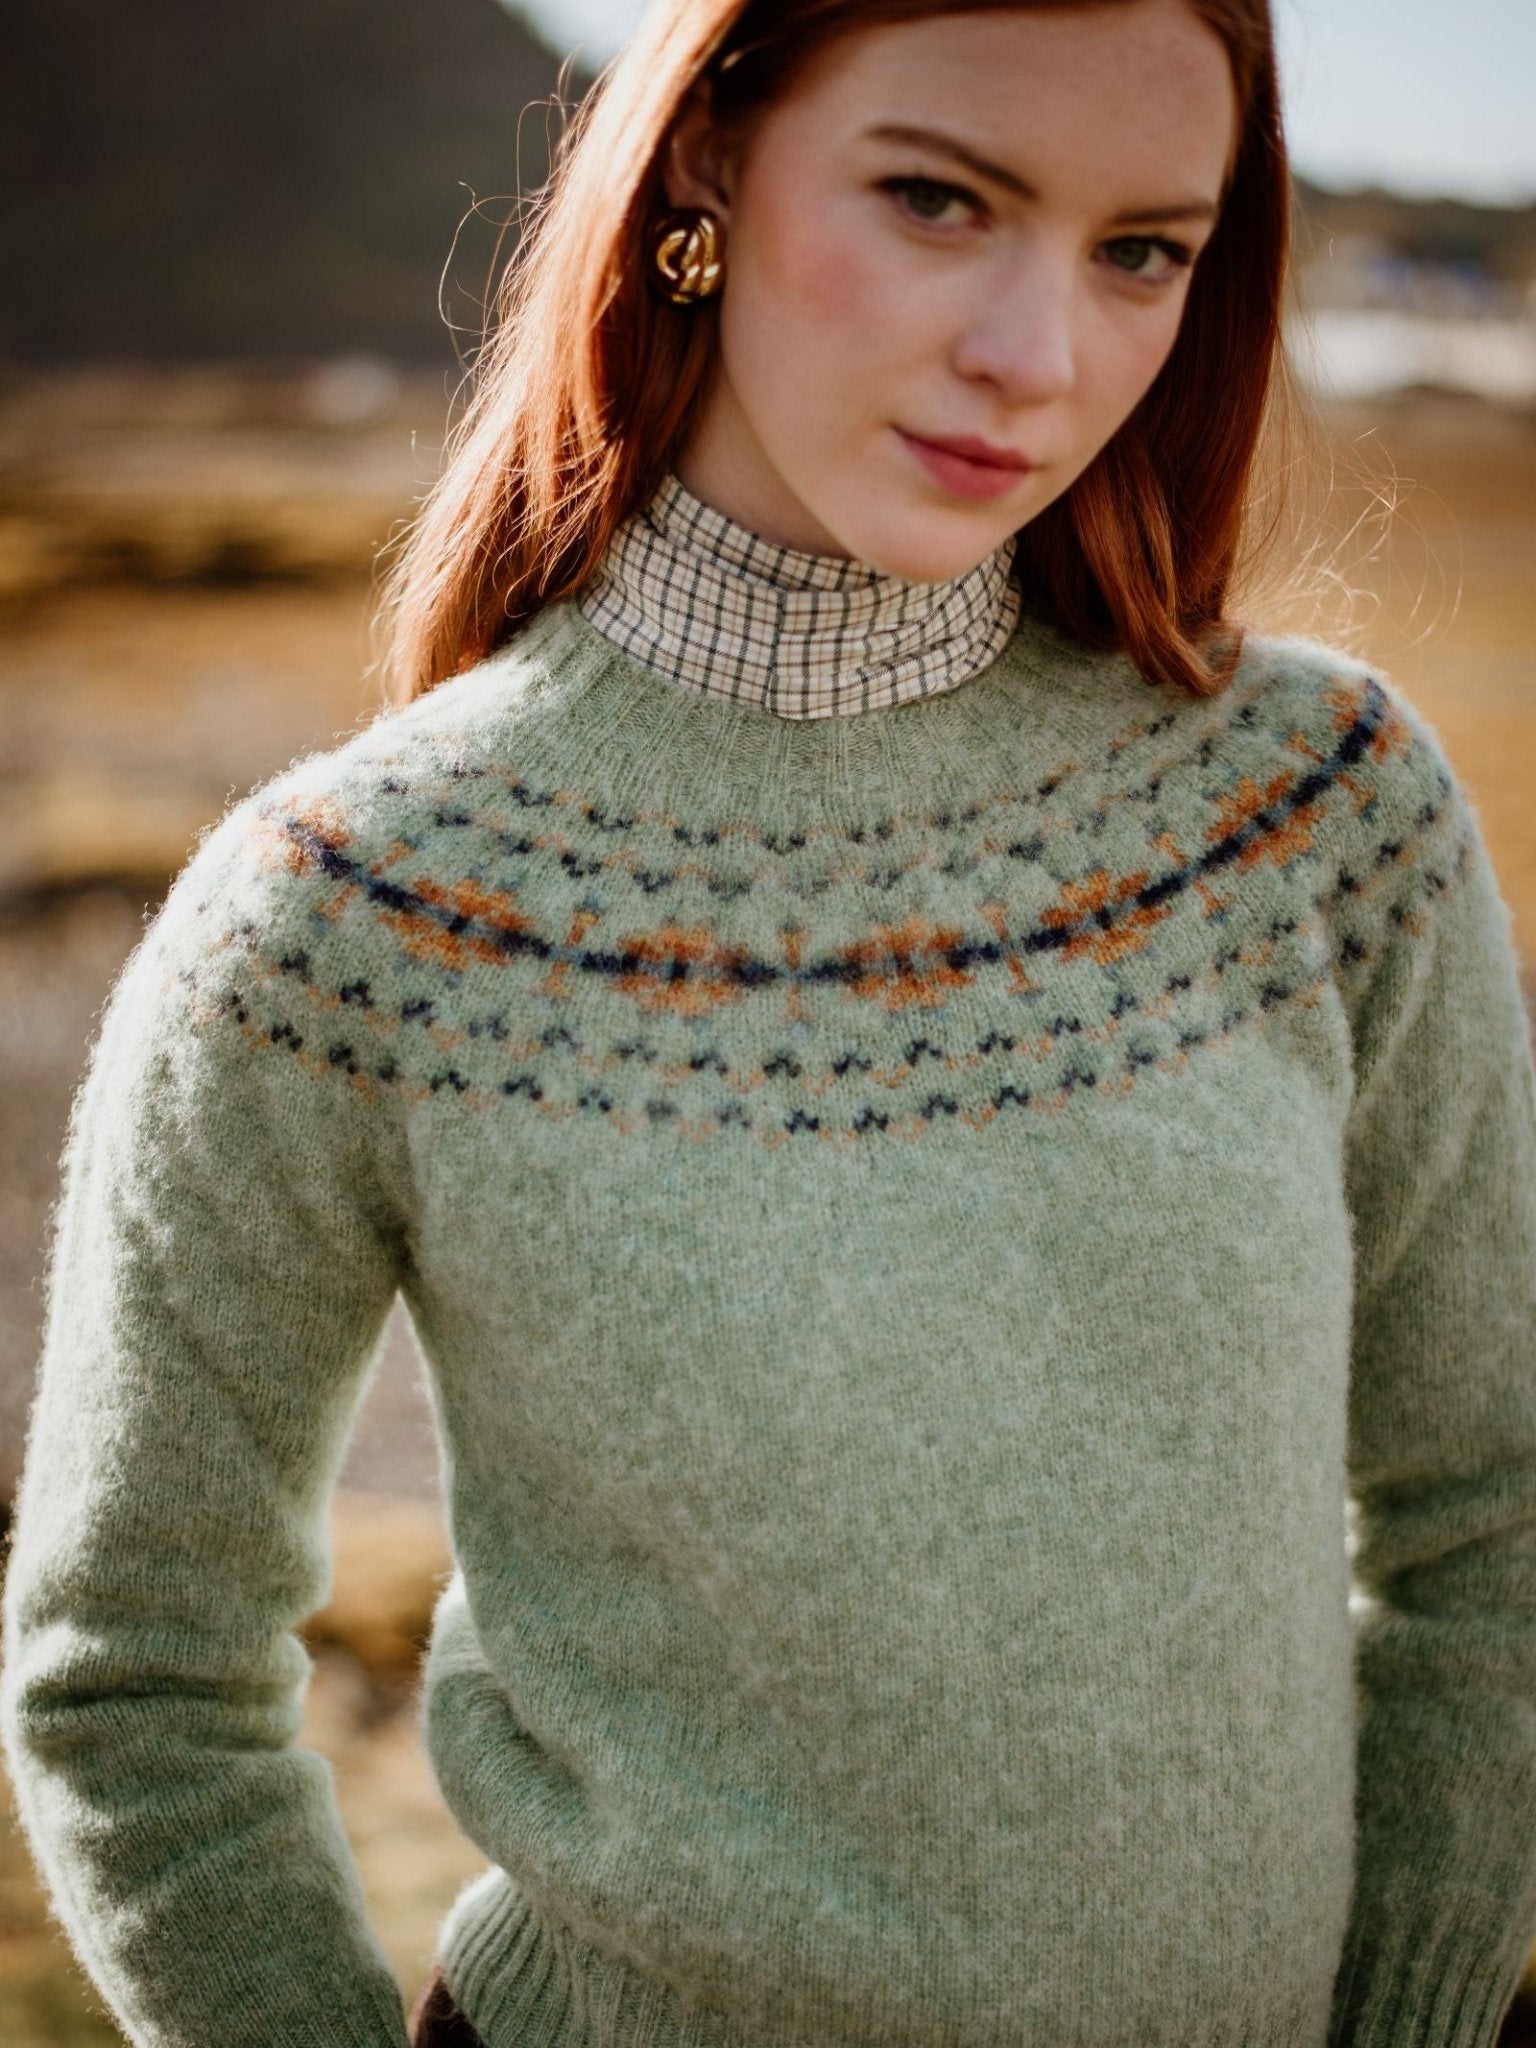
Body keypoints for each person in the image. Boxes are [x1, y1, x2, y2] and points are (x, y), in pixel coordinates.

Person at [3, 2, 1534, 2046]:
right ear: (709, 164)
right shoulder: (354, 913)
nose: (1038, 352)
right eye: (935, 198)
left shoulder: (1316, 809)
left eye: (1140, 250)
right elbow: (132, 1667)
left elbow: (1494, 1520)